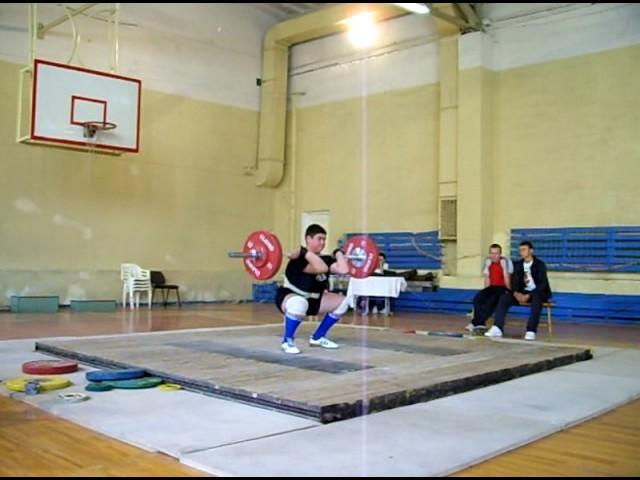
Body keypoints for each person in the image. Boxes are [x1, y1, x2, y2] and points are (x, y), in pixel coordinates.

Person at [275, 224, 350, 354]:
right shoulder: (298, 260)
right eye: (319, 238)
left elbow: (344, 270)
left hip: (314, 301)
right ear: (308, 239)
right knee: (299, 303)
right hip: (289, 297)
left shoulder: (325, 259)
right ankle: (287, 341)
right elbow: (320, 268)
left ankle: (318, 337)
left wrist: (338, 253)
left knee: (343, 302)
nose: (323, 242)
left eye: (324, 239)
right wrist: (302, 251)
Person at [485, 241, 552, 341]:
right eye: (520, 250)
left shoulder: (540, 265)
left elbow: (542, 285)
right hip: (521, 293)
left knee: (537, 299)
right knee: (504, 298)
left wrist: (529, 295)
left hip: (536, 293)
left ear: (531, 251)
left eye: (524, 250)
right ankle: (497, 327)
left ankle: (531, 330)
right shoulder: (517, 265)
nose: (521, 252)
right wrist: (516, 293)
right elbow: (514, 283)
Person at [466, 244, 512, 332]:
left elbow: (507, 277)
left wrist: (509, 291)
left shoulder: (505, 262)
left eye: (496, 253)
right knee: (478, 299)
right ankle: (480, 323)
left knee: (490, 302)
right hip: (491, 287)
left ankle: (475, 322)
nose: (493, 256)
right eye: (492, 253)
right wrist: (485, 292)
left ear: (500, 254)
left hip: (502, 288)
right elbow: (487, 278)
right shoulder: (488, 261)